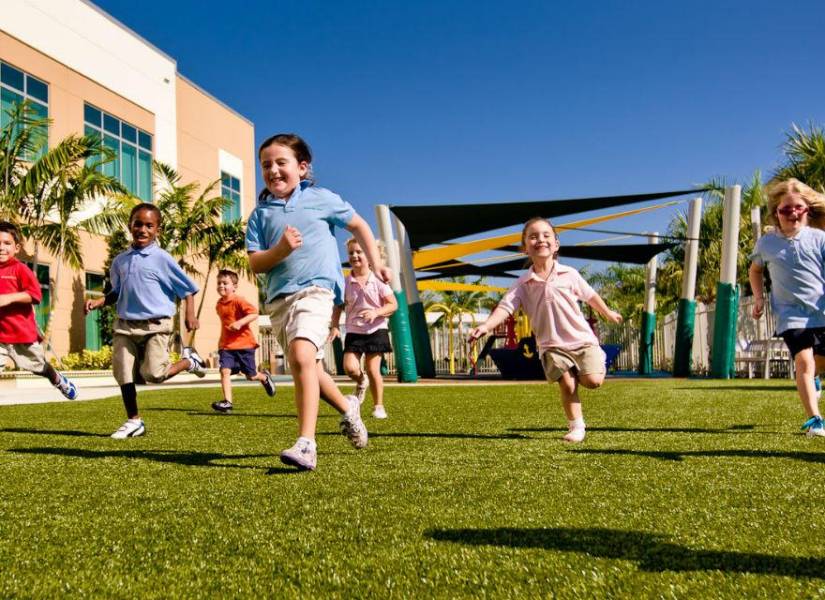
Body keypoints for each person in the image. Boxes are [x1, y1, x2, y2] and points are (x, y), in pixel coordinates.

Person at [247, 133, 391, 471]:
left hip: (317, 292)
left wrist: (378, 262)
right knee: (306, 364)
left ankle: (307, 444)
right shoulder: (260, 215)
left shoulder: (322, 199)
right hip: (279, 301)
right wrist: (280, 250)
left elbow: (359, 226)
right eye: (266, 165)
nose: (273, 170)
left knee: (300, 355)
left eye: (281, 162)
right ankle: (348, 409)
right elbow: (255, 263)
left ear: (302, 167)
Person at [469, 217, 622, 443]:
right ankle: (576, 426)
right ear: (524, 248)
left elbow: (590, 296)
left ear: (556, 245)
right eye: (533, 236)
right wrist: (486, 325)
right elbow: (505, 307)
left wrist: (607, 312)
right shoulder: (523, 282)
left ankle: (592, 360)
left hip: (581, 340)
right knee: (568, 383)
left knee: (593, 382)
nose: (540, 239)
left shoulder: (569, 274)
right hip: (551, 345)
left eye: (546, 235)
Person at [85, 203, 207, 439]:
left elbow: (188, 290)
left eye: (149, 225)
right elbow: (116, 292)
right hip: (125, 325)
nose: (142, 229)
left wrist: (190, 315)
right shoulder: (120, 261)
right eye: (138, 224)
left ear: (157, 230)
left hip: (156, 325)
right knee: (123, 372)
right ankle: (134, 421)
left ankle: (188, 362)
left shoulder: (162, 259)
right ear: (130, 225)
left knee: (154, 374)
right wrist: (100, 302)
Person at [750, 178, 825, 437]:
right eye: (785, 209)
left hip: (821, 310)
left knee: (818, 363)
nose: (792, 213)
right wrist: (759, 297)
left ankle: (816, 377)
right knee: (803, 362)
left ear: (807, 211)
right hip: (790, 314)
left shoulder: (819, 238)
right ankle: (815, 419)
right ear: (776, 213)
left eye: (798, 208)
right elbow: (756, 271)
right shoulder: (766, 244)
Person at [0, 221, 77, 400]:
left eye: (7, 243)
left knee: (40, 367)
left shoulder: (20, 269)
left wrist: (9, 298)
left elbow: (35, 295)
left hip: (21, 335)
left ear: (16, 247)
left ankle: (57, 379)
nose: (1, 248)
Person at [330, 238, 397, 418]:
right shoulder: (345, 282)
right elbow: (338, 306)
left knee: (373, 368)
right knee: (350, 368)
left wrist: (376, 312)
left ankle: (378, 406)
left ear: (370, 256)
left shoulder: (379, 280)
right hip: (354, 330)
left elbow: (393, 304)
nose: (355, 256)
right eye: (351, 253)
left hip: (376, 330)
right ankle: (361, 381)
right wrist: (335, 326)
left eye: (359, 252)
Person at [211, 268, 276, 413]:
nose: (221, 286)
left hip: (244, 345)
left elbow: (254, 313)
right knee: (224, 371)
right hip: (227, 346)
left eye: (225, 283)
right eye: (219, 283)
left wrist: (240, 323)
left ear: (234, 286)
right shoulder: (219, 304)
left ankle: (264, 378)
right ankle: (227, 402)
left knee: (251, 376)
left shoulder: (238, 300)